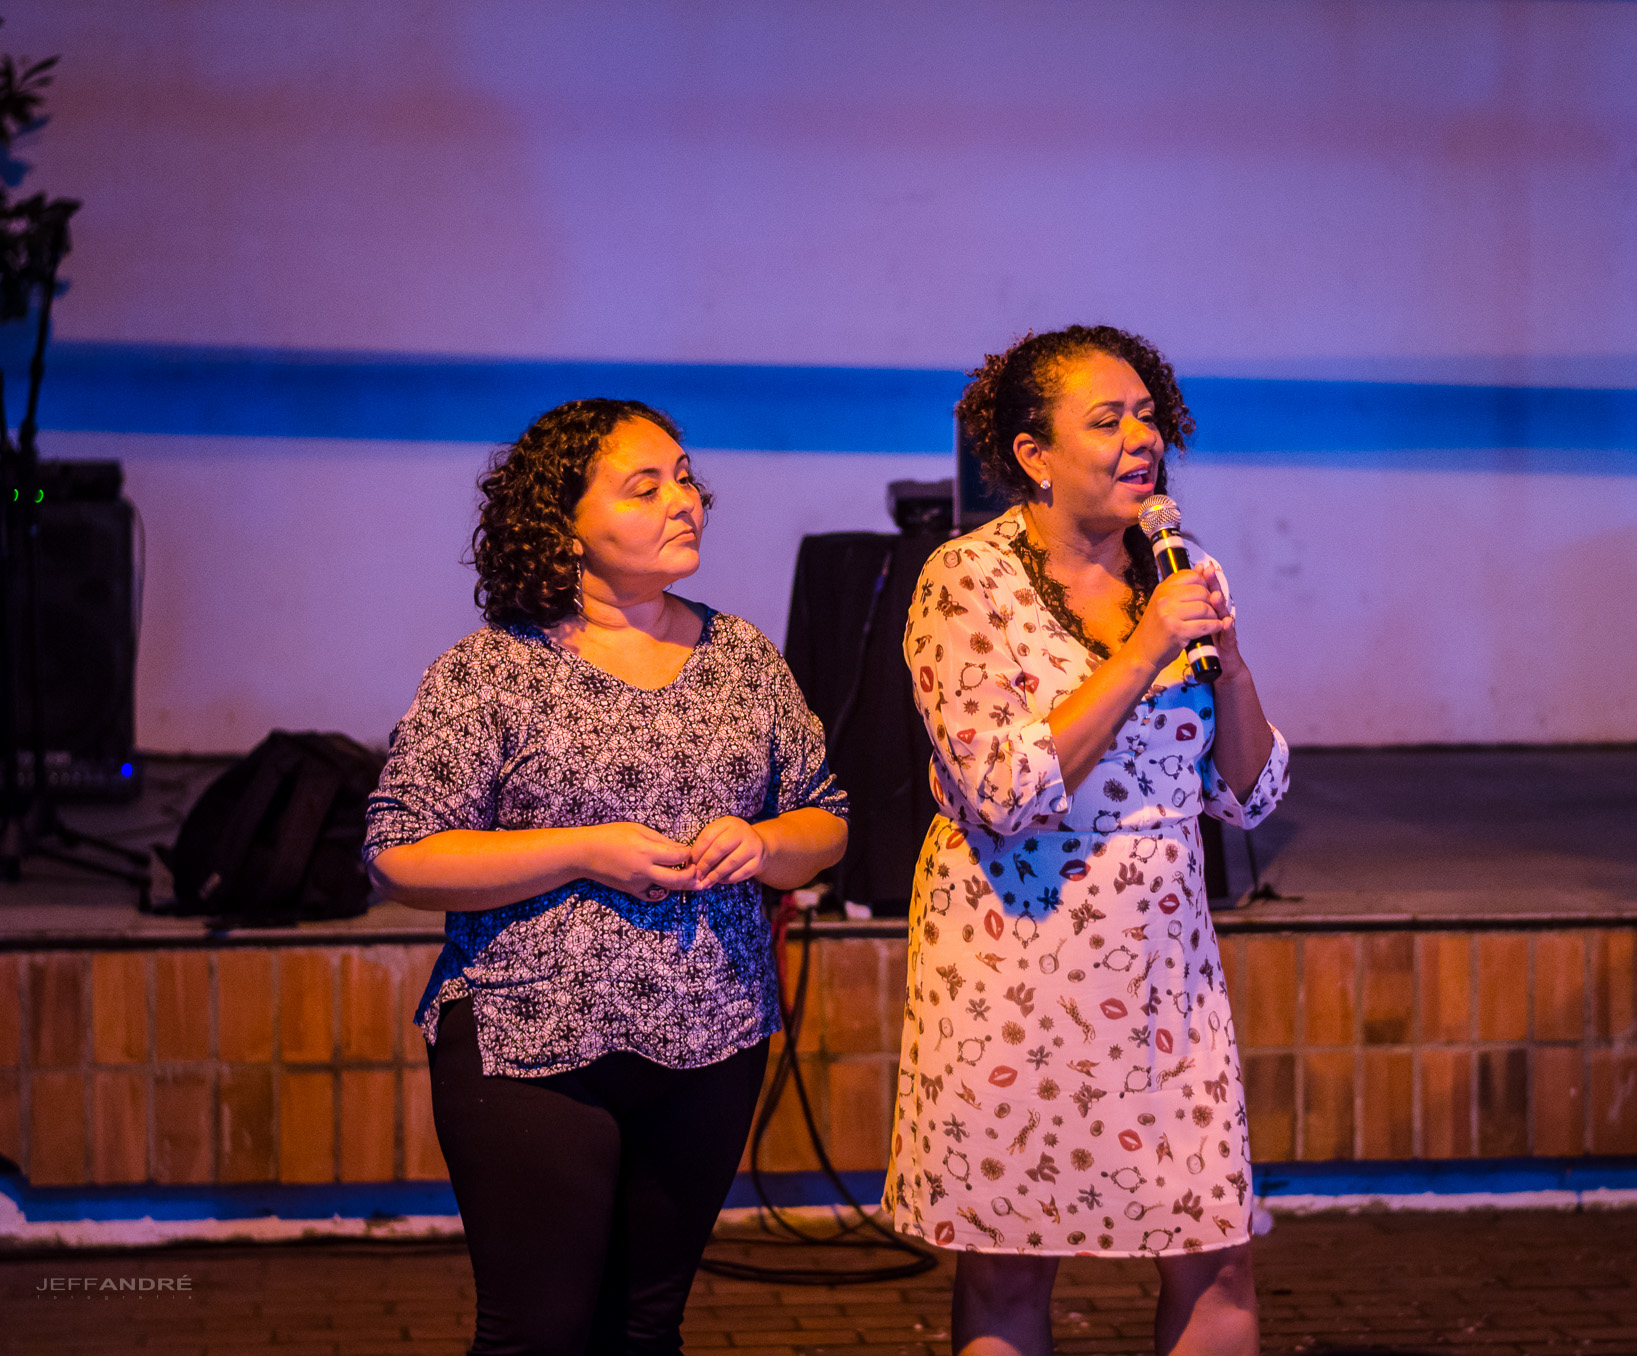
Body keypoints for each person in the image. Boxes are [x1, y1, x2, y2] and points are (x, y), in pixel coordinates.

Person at [364, 398, 848, 1355]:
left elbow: (825, 819)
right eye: (645, 486)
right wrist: (582, 849)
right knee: (539, 1334)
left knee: (645, 1330)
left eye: (685, 479)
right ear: (566, 526)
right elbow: (398, 851)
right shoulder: (490, 671)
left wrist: (762, 844)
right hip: (532, 1040)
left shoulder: (742, 657)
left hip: (714, 1035)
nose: (684, 501)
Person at [881, 327, 1290, 1356]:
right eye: (1106, 421)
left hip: (1164, 966)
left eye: (1147, 416)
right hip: (1017, 962)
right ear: (1033, 453)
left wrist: (1231, 663)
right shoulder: (965, 582)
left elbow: (1249, 796)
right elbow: (1003, 791)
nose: (1139, 439)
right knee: (1012, 1260)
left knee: (1215, 1247)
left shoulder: (1182, 571)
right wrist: (1146, 646)